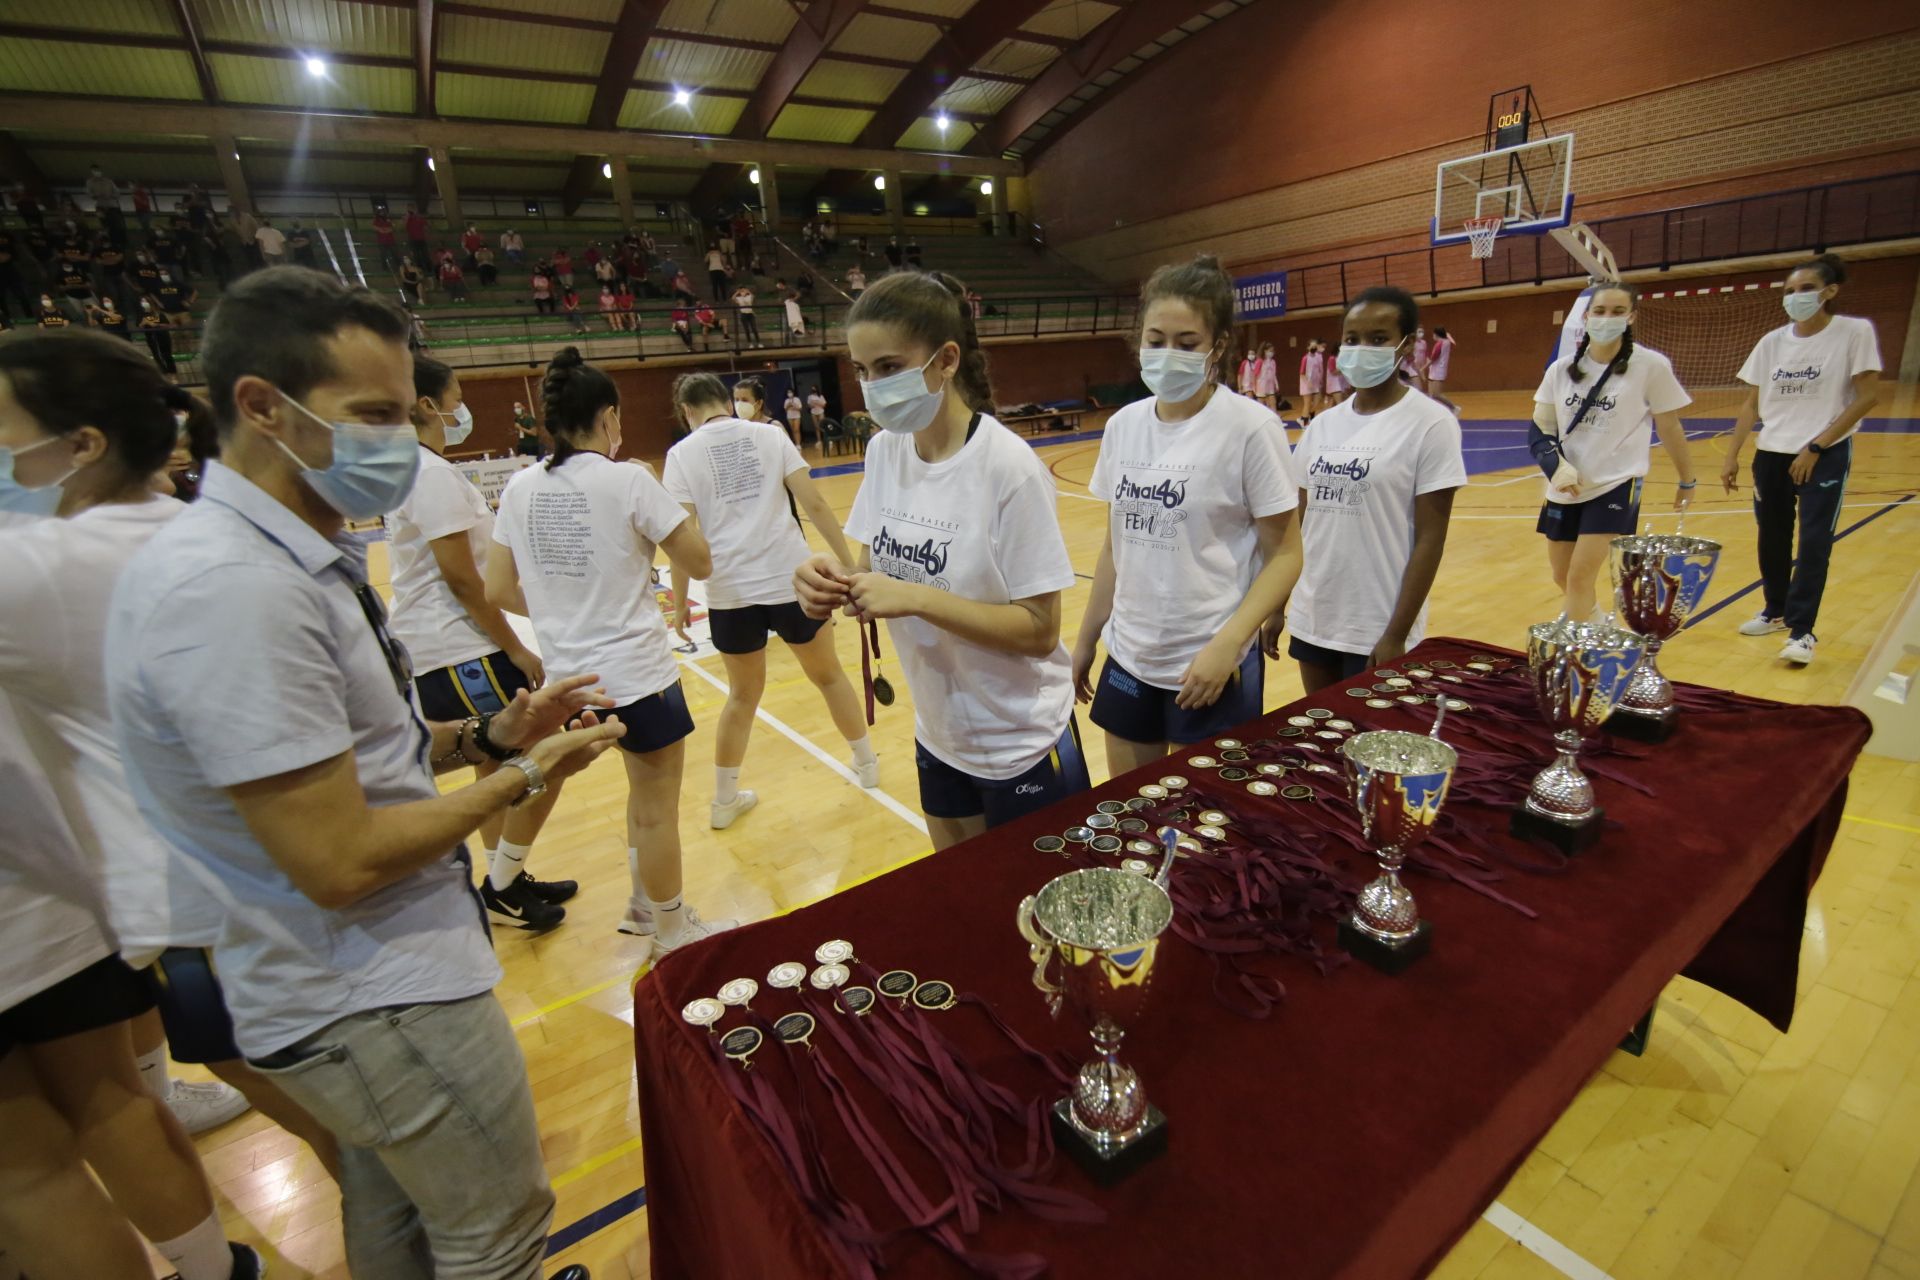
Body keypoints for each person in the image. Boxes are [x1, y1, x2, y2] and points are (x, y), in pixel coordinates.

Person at [105, 267, 612, 1280]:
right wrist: (525, 777)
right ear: (261, 405)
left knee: (395, 1216)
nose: (404, 438)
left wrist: (490, 738)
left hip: (348, 985)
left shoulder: (287, 556)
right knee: (496, 1233)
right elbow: (337, 857)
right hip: (369, 990)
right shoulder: (235, 588)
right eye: (375, 414)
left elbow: (345, 762)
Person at [0, 331, 273, 1280]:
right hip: (189, 886)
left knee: (31, 1168)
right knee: (117, 1101)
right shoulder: (219, 533)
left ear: (80, 443)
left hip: (152, 896)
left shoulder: (41, 566)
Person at [795, 271, 1089, 849]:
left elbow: (1039, 629)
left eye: (888, 367)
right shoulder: (884, 452)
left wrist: (916, 598)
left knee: (1040, 922)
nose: (872, 385)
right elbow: (869, 570)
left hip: (1020, 744)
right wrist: (828, 583)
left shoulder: (1008, 468)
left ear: (946, 359)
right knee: (962, 910)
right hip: (939, 737)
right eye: (861, 370)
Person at [488, 347, 732, 953]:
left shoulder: (519, 488)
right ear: (609, 417)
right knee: (654, 809)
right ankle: (672, 930)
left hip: (565, 681)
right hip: (638, 676)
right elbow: (698, 561)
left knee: (548, 781)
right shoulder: (628, 479)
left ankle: (520, 887)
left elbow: (496, 588)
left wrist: (556, 611)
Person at [1070, 255, 1303, 772]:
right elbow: (1115, 546)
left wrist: (1229, 645)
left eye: (1187, 342)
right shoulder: (1123, 426)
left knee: (1207, 826)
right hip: (1129, 656)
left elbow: (1285, 555)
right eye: (1156, 340)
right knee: (1130, 817)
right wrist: (1087, 639)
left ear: (1218, 345)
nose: (1168, 354)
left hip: (1210, 662)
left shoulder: (1251, 428)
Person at [390, 354, 573, 930]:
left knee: (495, 766)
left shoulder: (419, 469)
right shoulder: (429, 474)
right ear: (428, 405)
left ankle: (504, 879)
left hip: (448, 644)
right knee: (524, 757)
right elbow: (463, 579)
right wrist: (515, 647)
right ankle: (499, 886)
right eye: (456, 396)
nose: (460, 409)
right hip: (457, 648)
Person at [664, 373, 880, 826]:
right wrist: (847, 564)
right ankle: (867, 764)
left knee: (742, 697)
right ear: (727, 401)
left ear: (686, 412)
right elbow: (815, 504)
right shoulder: (769, 434)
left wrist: (682, 602)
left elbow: (682, 539)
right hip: (793, 580)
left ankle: (723, 801)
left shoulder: (680, 454)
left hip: (730, 592)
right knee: (829, 677)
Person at [1280, 287, 1467, 692]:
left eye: (1378, 339)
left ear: (1406, 345)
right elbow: (1298, 520)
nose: (1362, 348)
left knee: (1372, 747)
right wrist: (1277, 605)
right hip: (1315, 617)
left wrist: (1396, 633)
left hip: (1379, 624)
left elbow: (1430, 538)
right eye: (1352, 339)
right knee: (1321, 740)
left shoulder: (1431, 424)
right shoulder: (1324, 424)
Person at [1720, 253, 1881, 667]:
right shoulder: (1772, 342)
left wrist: (1817, 446)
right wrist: (1733, 455)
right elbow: (1751, 403)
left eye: (1805, 289)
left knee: (1813, 543)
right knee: (1771, 537)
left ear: (1829, 292)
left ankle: (1802, 630)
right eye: (1790, 291)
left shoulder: (1853, 332)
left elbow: (1867, 396)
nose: (1796, 297)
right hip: (1771, 453)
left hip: (1822, 455)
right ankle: (1775, 611)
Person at [1529, 281, 1697, 622]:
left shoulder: (1650, 366)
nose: (1607, 318)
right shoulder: (1560, 370)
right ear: (1587, 316)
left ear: (1631, 316)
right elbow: (1539, 428)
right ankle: (1595, 622)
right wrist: (1556, 468)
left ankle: (1576, 658)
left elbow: (1670, 427)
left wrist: (1687, 480)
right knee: (1561, 576)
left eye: (1618, 311)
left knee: (1579, 577)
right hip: (1564, 486)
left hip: (1615, 484)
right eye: (1600, 311)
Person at [1425, 327, 1459, 413]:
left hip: (1438, 371)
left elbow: (1433, 358)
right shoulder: (1448, 342)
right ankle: (1434, 413)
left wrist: (1422, 368)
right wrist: (1448, 335)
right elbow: (1453, 342)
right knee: (1431, 396)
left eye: (1433, 334)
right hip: (1435, 371)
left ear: (1436, 334)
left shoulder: (1440, 344)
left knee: (1436, 394)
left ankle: (1453, 407)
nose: (1432, 335)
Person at [138, 296, 176, 374]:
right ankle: (163, 372)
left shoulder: (158, 313)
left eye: (145, 301)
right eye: (142, 301)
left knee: (167, 354)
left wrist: (155, 325)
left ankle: (172, 372)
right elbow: (139, 326)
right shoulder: (141, 314)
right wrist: (143, 323)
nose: (143, 303)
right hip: (151, 337)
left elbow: (167, 324)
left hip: (162, 335)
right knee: (156, 355)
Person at [1299, 340, 1326, 420]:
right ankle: (1304, 421)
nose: (1314, 348)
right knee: (1307, 403)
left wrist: (1320, 379)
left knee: (1317, 400)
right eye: (1312, 346)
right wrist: (1308, 382)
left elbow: (1318, 370)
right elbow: (1302, 373)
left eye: (1315, 346)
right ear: (1308, 347)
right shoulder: (1305, 358)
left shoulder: (1317, 358)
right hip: (1306, 383)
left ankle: (1309, 415)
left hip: (1315, 383)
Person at [730, 283, 762, 349]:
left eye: (743, 290)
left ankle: (759, 342)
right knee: (746, 329)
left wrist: (748, 291)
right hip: (743, 315)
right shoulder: (738, 298)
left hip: (750, 314)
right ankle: (750, 343)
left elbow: (753, 297)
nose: (742, 292)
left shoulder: (749, 296)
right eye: (741, 291)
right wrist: (737, 292)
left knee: (754, 328)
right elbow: (733, 298)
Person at [405, 203, 430, 268]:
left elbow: (426, 226)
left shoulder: (419, 218)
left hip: (421, 238)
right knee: (416, 255)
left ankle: (428, 268)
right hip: (413, 239)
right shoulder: (407, 218)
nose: (411, 210)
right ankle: (420, 268)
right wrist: (408, 217)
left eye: (412, 209)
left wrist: (425, 230)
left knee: (425, 254)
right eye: (409, 209)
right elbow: (404, 225)